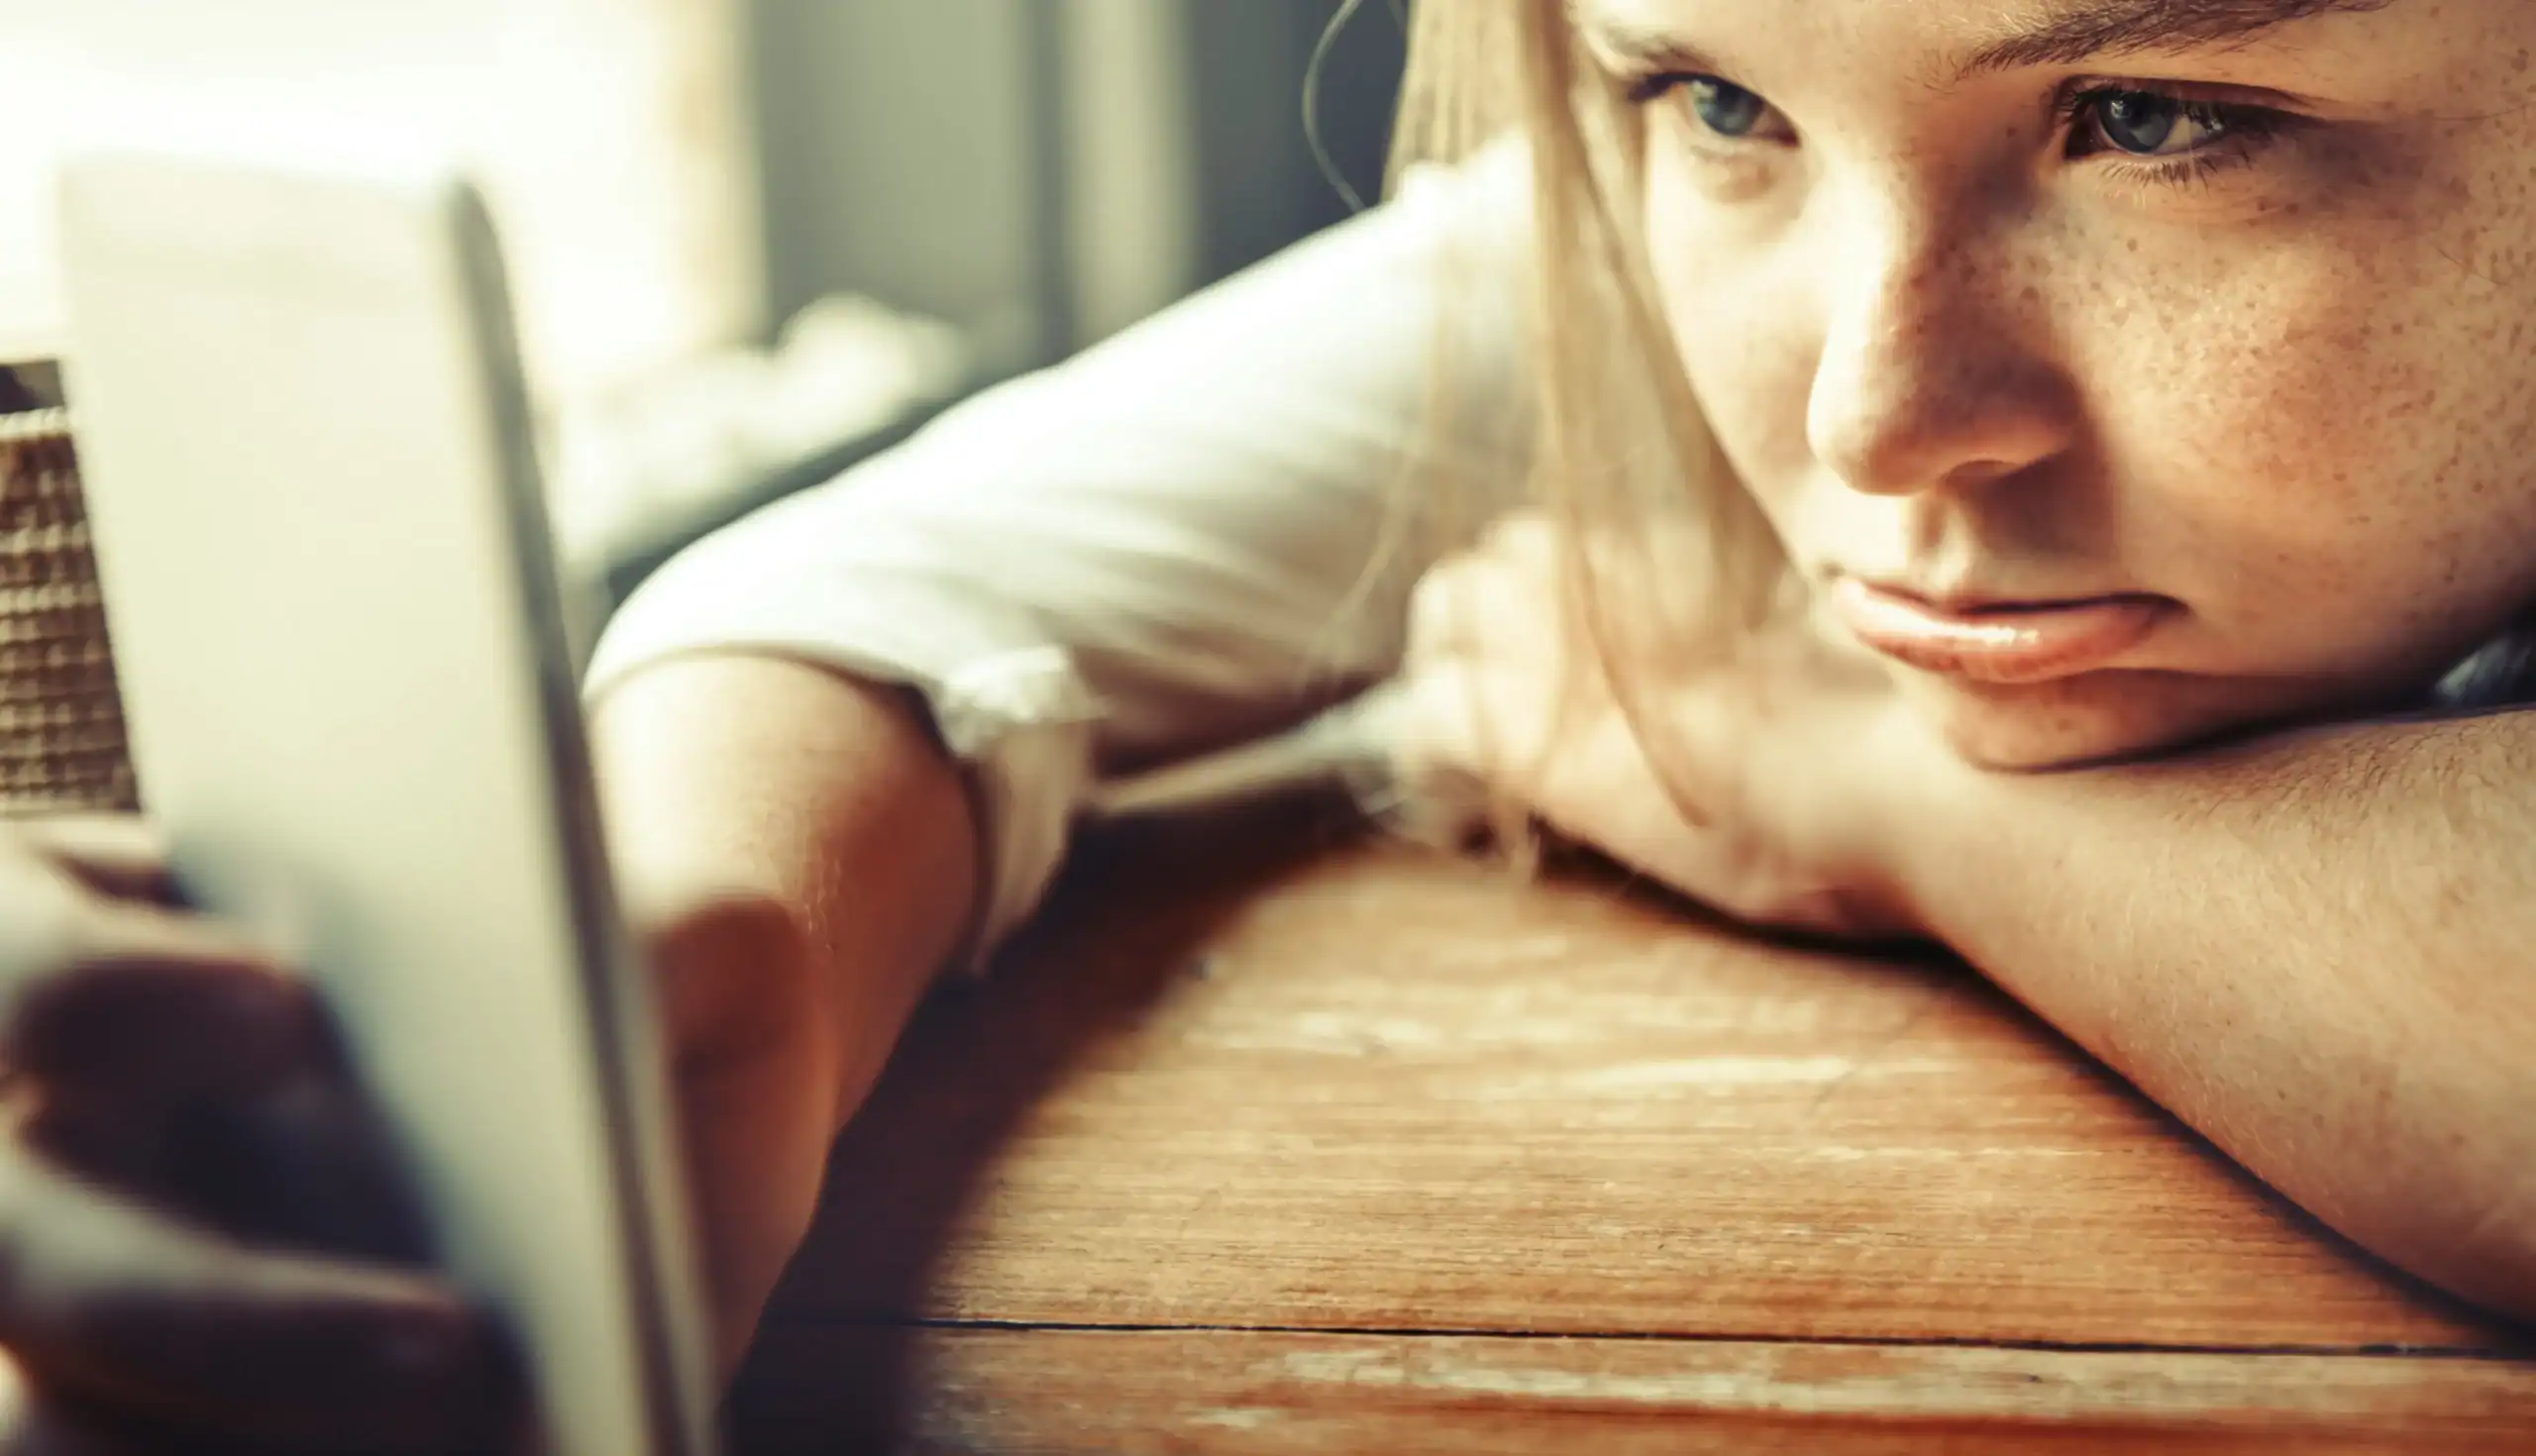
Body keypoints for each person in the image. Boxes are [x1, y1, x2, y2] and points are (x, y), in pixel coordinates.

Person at [5, 0, 2535, 1447]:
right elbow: (919, 582)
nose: (1871, 423)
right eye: (1714, 100)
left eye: (2161, 119)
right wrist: (700, 966)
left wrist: (1841, 776)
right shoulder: (1654, 240)